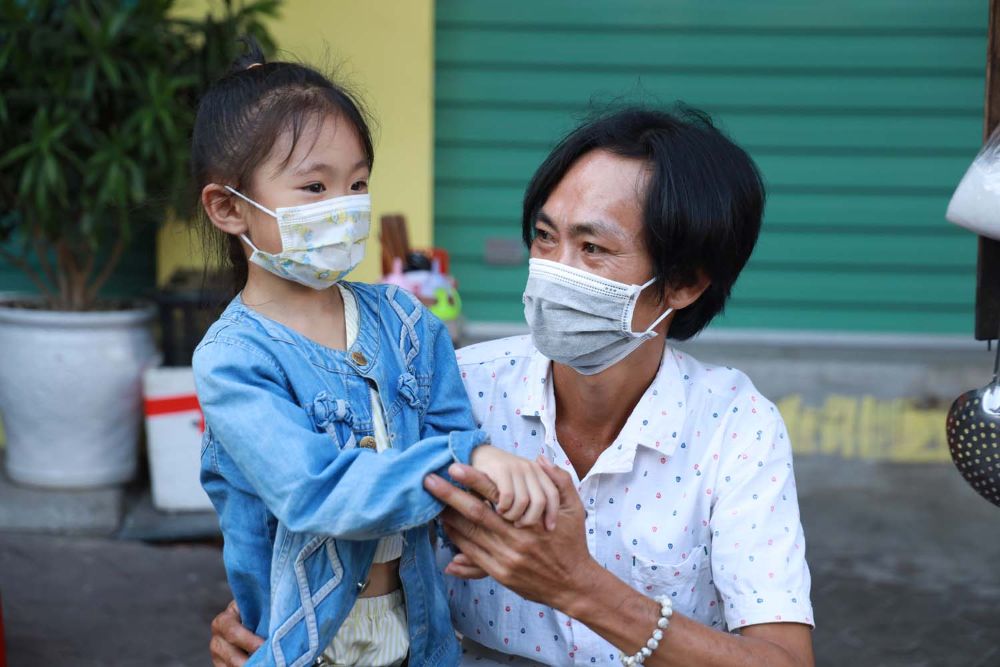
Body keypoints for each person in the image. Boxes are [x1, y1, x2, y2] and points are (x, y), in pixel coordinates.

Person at [209, 107, 815, 667]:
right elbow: (337, 512)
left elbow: (784, 660)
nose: (553, 270)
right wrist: (272, 619)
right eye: (546, 237)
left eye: (593, 247)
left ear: (683, 284)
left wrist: (581, 588)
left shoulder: (735, 429)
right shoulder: (454, 385)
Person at [191, 40, 559, 667]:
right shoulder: (233, 361)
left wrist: (477, 517)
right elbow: (316, 492)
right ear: (229, 208)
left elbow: (450, 432)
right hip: (304, 648)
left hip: (419, 638)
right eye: (314, 186)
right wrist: (466, 462)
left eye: (357, 183)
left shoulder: (406, 322)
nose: (345, 206)